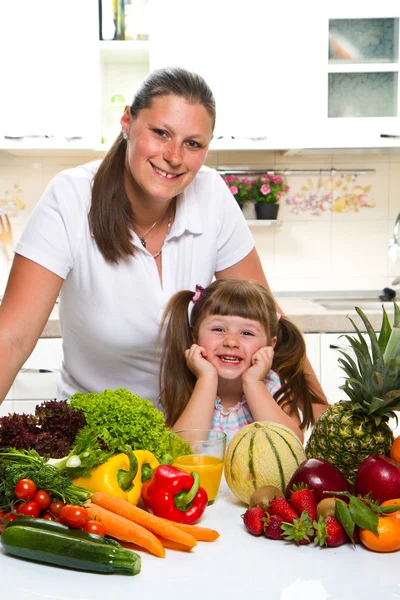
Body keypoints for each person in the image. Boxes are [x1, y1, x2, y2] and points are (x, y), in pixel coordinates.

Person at [0, 66, 328, 415]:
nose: (174, 157)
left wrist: (328, 428)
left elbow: (271, 323)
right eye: (160, 133)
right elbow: (12, 338)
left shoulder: (212, 194)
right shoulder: (70, 197)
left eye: (192, 144)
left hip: (192, 434)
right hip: (93, 435)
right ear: (127, 121)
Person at [160, 279, 327, 443]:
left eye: (247, 333)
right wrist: (207, 380)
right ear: (194, 336)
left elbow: (290, 446)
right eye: (218, 329)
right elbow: (182, 453)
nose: (231, 342)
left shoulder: (273, 387)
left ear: (270, 344)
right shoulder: (186, 384)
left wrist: (253, 383)